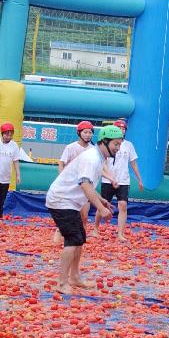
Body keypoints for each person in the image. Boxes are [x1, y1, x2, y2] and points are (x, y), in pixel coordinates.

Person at [46, 125, 122, 294]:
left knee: (79, 238)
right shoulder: (92, 158)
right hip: (61, 200)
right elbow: (85, 184)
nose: (118, 148)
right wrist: (101, 208)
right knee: (73, 239)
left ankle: (74, 277)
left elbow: (87, 184)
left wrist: (101, 199)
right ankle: (62, 283)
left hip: (70, 201)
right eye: (116, 144)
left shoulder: (98, 158)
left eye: (119, 145)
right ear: (105, 142)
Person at [92, 119, 143, 240]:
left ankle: (120, 233)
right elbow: (103, 162)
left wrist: (139, 179)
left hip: (123, 180)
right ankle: (95, 228)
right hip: (108, 180)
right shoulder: (106, 145)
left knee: (123, 204)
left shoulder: (129, 145)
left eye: (124, 129)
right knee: (103, 204)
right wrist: (109, 176)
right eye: (119, 128)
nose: (122, 131)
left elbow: (133, 163)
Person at [52, 121, 95, 244]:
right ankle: (59, 231)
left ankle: (81, 238)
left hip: (86, 185)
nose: (88, 135)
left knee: (84, 215)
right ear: (79, 133)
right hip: (71, 185)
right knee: (68, 212)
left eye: (90, 132)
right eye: (85, 132)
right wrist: (62, 178)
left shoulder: (93, 150)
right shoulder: (71, 147)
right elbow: (61, 163)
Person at [0, 123, 21, 223]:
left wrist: (18, 174)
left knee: (2, 198)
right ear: (2, 134)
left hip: (6, 177)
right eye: (7, 134)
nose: (9, 137)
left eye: (11, 134)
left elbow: (16, 161)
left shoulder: (14, 146)